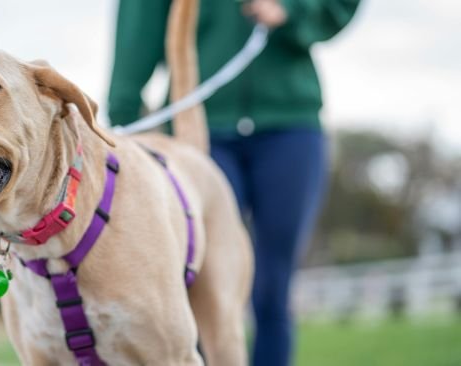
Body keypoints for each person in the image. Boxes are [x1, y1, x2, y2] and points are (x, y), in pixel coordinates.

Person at [107, 0, 360, 365]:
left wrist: (293, 10)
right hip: (197, 126)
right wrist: (123, 119)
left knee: (274, 286)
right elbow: (138, 26)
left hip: (289, 127)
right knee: (193, 280)